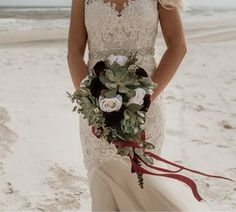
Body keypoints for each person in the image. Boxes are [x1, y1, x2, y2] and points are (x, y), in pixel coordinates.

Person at [67, 0, 212, 211]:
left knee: (144, 187)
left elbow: (178, 46)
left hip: (147, 108)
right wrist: (93, 106)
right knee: (104, 194)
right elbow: (74, 52)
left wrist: (144, 99)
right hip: (97, 108)